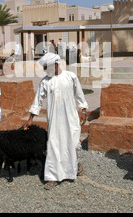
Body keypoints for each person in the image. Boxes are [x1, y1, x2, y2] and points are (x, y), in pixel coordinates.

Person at [23, 52, 88, 190]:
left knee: (71, 143)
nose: (45, 70)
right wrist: (30, 119)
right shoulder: (46, 81)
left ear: (55, 65)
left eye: (47, 67)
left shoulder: (70, 77)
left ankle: (73, 169)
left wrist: (83, 110)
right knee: (54, 146)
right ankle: (53, 177)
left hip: (70, 118)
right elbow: (38, 100)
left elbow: (80, 94)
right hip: (54, 121)